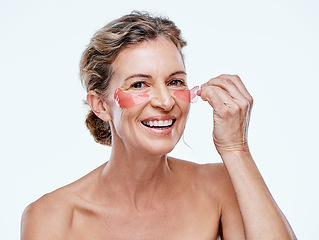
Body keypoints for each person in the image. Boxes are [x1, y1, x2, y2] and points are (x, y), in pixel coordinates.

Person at [21, 11, 296, 239]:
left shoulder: (219, 187)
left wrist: (236, 149)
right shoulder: (51, 218)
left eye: (175, 81)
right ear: (101, 105)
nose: (165, 101)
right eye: (139, 84)